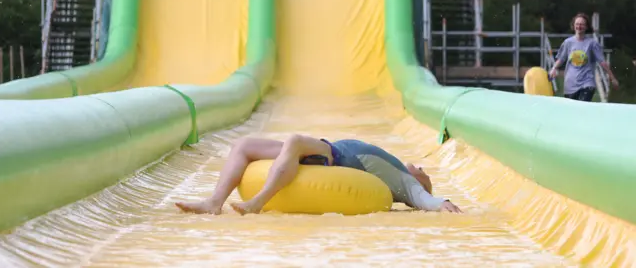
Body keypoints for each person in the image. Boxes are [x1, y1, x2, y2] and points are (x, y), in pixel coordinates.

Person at [176, 135, 462, 216]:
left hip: (336, 156)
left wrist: (440, 201)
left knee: (295, 141)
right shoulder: (400, 166)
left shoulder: (406, 181)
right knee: (243, 145)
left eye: (425, 174)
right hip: (330, 150)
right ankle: (214, 201)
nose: (421, 169)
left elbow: (422, 198)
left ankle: (259, 201)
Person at [549, 13, 618, 101]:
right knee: (573, 112)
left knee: (582, 108)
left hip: (587, 83)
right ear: (574, 26)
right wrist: (553, 68)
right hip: (570, 84)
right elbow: (561, 59)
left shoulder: (592, 44)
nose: (579, 26)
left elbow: (602, 62)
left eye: (582, 24)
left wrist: (612, 78)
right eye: (577, 24)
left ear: (586, 27)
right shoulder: (568, 43)